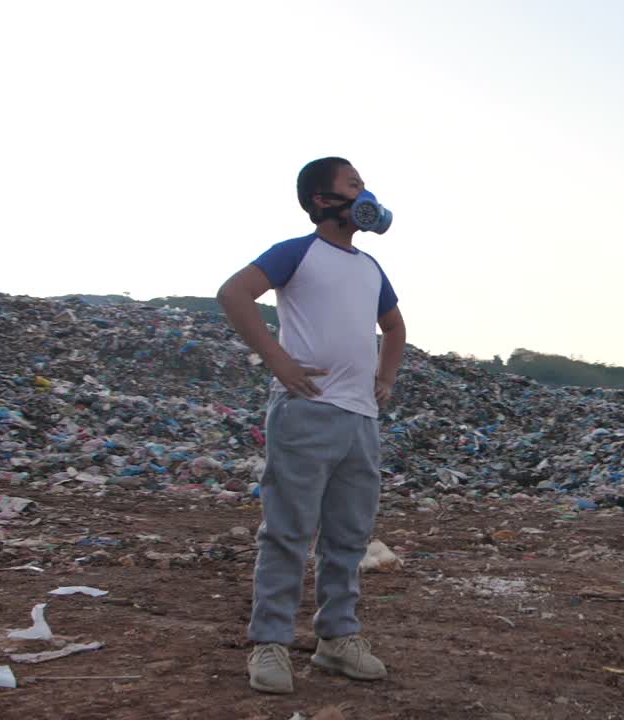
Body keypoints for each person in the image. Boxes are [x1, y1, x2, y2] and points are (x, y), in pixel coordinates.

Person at [217, 157, 406, 694]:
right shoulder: (297, 252)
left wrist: (385, 378)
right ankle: (270, 644)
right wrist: (278, 361)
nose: (365, 194)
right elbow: (234, 294)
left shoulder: (370, 267)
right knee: (288, 533)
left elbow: (394, 326)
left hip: (360, 420)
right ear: (323, 201)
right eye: (353, 185)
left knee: (348, 537)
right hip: (306, 412)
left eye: (365, 186)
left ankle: (336, 639)